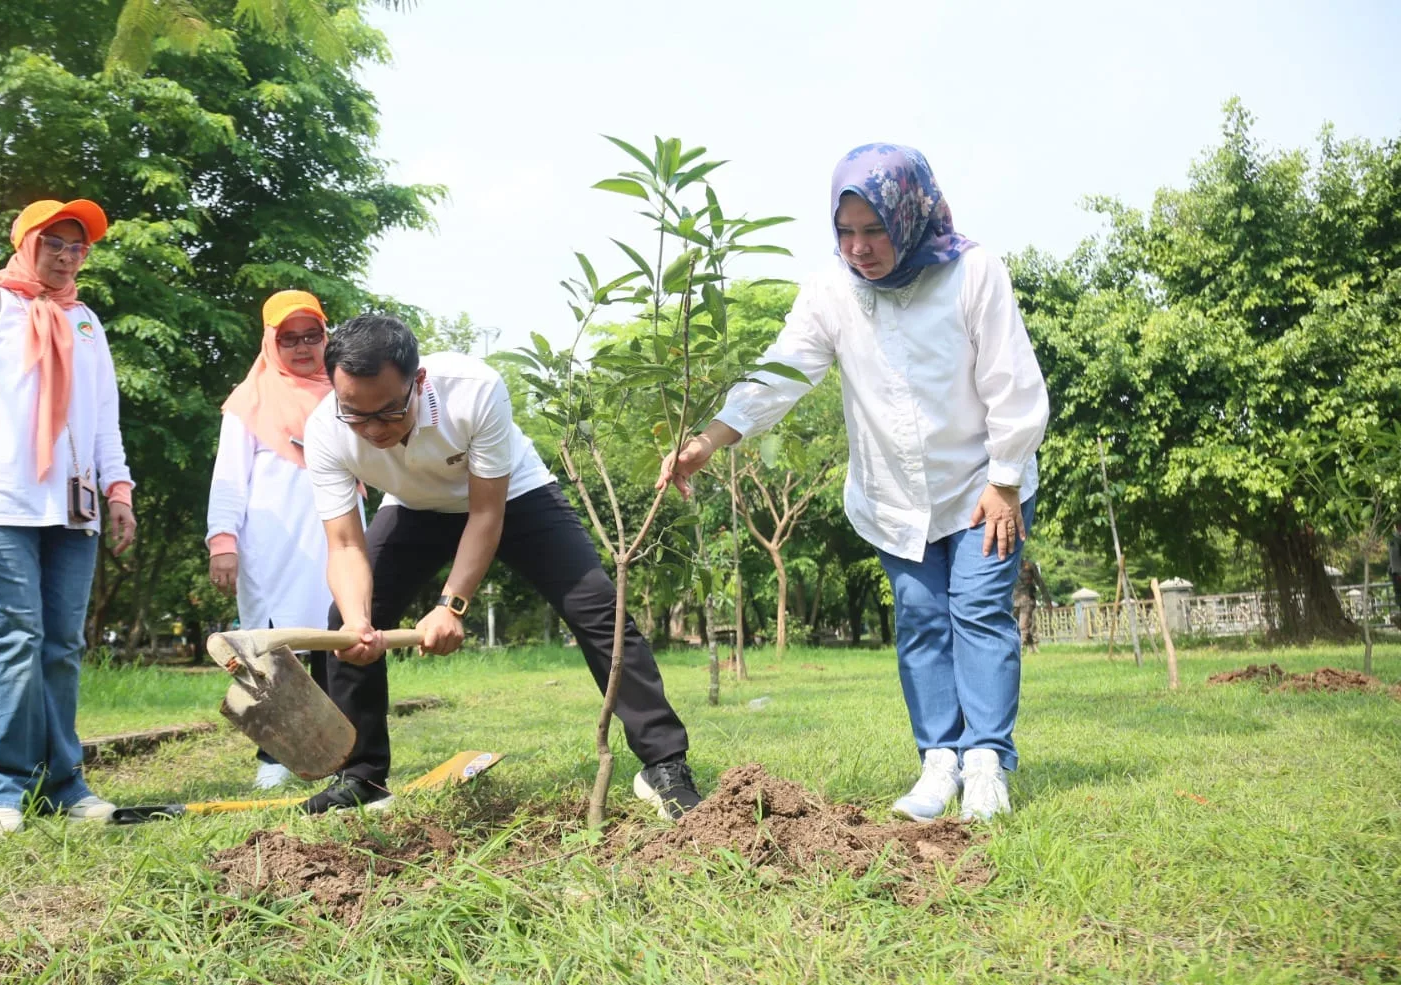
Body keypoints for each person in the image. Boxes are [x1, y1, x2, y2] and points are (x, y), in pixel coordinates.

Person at [659, 144, 1049, 822]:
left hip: (985, 485)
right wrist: (707, 440)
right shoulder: (831, 291)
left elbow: (1010, 379)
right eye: (846, 232)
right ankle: (939, 764)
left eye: (874, 231)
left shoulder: (973, 273)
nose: (859, 248)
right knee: (922, 623)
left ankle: (986, 763)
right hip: (894, 496)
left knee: (980, 613)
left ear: (909, 215)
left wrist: (1008, 479)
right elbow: (783, 371)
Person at [301, 314, 702, 820]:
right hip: (412, 508)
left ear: (417, 382)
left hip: (513, 497)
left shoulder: (473, 391)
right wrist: (360, 620)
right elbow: (344, 545)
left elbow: (487, 514)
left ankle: (663, 764)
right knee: (345, 626)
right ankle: (361, 777)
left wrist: (451, 605)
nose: (372, 430)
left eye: (387, 412)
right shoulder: (324, 429)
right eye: (355, 415)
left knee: (599, 607)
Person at [0, 199, 138, 839]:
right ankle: (0, 789)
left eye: (79, 246)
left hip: (72, 511)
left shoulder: (86, 322)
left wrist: (119, 491)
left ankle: (65, 784)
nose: (68, 254)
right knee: (16, 640)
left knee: (62, 648)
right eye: (55, 241)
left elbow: (104, 416)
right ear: (26, 242)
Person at [205, 290, 364, 790]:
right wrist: (222, 542)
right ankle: (273, 757)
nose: (301, 347)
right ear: (270, 341)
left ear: (327, 336)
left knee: (336, 637)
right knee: (273, 650)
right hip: (272, 541)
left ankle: (341, 752)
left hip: (336, 536)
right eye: (288, 337)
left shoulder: (348, 394)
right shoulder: (248, 401)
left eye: (312, 335)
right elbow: (227, 477)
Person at [1013, 557, 1052, 652]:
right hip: (1013, 599)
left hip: (1027, 598)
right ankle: (1031, 645)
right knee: (1017, 625)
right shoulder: (1008, 565)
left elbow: (1039, 581)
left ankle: (1020, 648)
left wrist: (1047, 600)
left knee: (1023, 625)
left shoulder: (1029, 565)